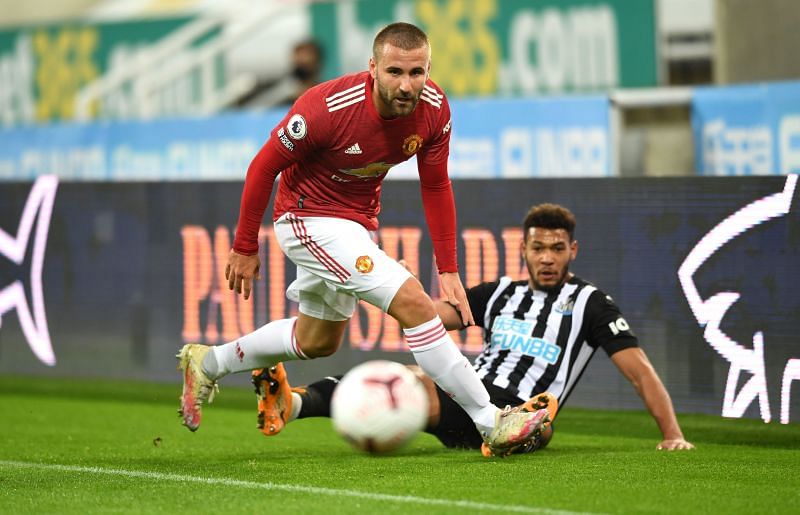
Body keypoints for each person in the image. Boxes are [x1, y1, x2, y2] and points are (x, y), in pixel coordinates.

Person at [177, 22, 548, 457]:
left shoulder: (435, 109)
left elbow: (435, 185)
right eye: (395, 72)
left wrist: (448, 268)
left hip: (353, 225)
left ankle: (208, 363)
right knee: (414, 303)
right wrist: (244, 245)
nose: (407, 84)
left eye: (417, 72)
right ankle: (491, 420)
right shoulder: (325, 107)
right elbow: (262, 167)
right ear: (372, 67)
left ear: (429, 69)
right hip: (305, 218)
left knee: (318, 341)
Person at [253, 203, 696, 455]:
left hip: (511, 404)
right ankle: (289, 404)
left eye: (557, 249)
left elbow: (639, 372)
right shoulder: (498, 293)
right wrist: (395, 282)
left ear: (573, 250)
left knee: (410, 387)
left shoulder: (592, 304)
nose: (546, 257)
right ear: (522, 248)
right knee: (401, 375)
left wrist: (672, 434)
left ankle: (526, 427)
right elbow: (429, 315)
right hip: (471, 391)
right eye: (538, 248)